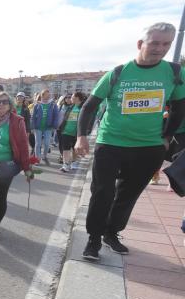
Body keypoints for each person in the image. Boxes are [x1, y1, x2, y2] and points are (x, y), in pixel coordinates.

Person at [76, 22, 185, 261]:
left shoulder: (175, 73)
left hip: (148, 147)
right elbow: (90, 106)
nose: (160, 48)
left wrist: (167, 136)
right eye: (155, 42)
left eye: (166, 43)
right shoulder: (118, 73)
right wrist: (81, 137)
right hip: (111, 143)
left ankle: (111, 233)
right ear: (140, 44)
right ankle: (93, 238)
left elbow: (179, 107)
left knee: (128, 194)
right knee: (102, 193)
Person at [0, 91, 33, 240]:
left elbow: (23, 146)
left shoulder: (17, 121)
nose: (0, 105)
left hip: (6, 165)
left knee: (0, 196)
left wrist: (27, 169)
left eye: (4, 102)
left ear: (10, 105)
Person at [31, 88, 61, 165]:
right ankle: (37, 159)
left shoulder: (53, 105)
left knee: (47, 144)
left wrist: (55, 125)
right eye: (46, 95)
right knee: (38, 144)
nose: (48, 96)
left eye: (49, 95)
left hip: (48, 127)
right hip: (38, 128)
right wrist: (33, 127)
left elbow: (56, 115)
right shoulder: (37, 105)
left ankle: (44, 156)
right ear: (42, 95)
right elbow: (33, 116)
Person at [58, 91, 86, 173]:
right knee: (65, 149)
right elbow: (64, 118)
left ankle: (74, 162)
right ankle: (65, 165)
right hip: (66, 132)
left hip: (76, 133)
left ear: (77, 98)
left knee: (75, 149)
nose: (71, 98)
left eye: (72, 97)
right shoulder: (70, 107)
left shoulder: (83, 108)